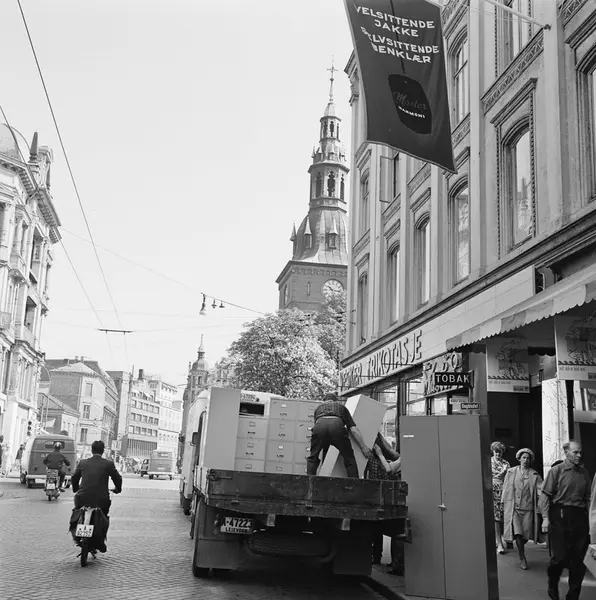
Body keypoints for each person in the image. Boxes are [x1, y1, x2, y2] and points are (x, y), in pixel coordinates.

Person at [540, 441, 592, 600]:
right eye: (575, 452)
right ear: (566, 452)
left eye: (580, 452)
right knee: (560, 558)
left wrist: (591, 522)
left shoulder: (584, 474)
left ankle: (573, 595)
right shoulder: (556, 471)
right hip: (560, 514)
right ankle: (552, 583)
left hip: (580, 516)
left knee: (578, 560)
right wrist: (545, 518)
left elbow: (589, 499)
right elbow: (545, 495)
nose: (579, 455)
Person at [71, 440, 122, 552]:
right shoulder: (108, 464)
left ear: (91, 450)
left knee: (76, 511)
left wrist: (76, 489)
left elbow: (74, 477)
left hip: (82, 497)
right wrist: (118, 489)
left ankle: (75, 534)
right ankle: (100, 540)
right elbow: (117, 478)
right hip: (101, 499)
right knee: (104, 515)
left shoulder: (83, 462)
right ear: (103, 451)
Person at [306, 392, 372, 478]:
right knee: (349, 458)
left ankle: (309, 482)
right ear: (336, 401)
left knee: (313, 458)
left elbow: (319, 429)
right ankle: (354, 483)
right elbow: (353, 430)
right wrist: (364, 447)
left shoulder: (318, 408)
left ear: (324, 401)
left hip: (319, 427)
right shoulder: (341, 407)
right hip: (336, 427)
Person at [365, 432, 403, 574]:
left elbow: (389, 468)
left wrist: (380, 452)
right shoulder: (372, 457)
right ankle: (381, 558)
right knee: (379, 528)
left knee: (385, 528)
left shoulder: (388, 459)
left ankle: (392, 562)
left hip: (384, 496)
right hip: (380, 495)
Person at [501, 448, 544, 570]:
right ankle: (522, 557)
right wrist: (503, 502)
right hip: (514, 508)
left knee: (525, 536)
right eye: (523, 457)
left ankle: (520, 547)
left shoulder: (534, 475)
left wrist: (542, 504)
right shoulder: (511, 472)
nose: (525, 460)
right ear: (519, 459)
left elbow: (540, 491)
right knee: (518, 534)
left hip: (528, 509)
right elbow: (506, 488)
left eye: (528, 458)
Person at [491, 441, 510, 554]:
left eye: (500, 452)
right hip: (493, 491)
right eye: (496, 452)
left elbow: (509, 477)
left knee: (504, 516)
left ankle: (505, 539)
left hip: (504, 490)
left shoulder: (506, 463)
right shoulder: (489, 462)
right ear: (493, 451)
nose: (498, 454)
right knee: (496, 517)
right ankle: (499, 542)